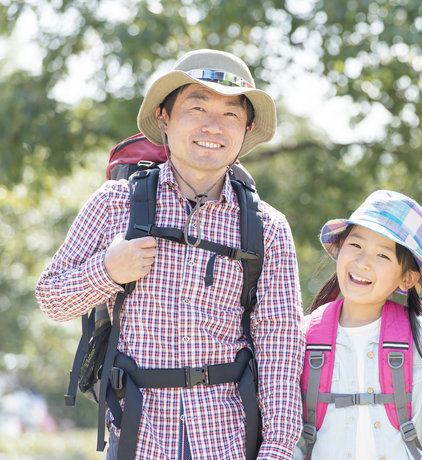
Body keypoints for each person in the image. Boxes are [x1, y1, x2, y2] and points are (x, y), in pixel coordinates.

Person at [36, 49, 305, 459]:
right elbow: (51, 298)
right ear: (164, 117)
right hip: (138, 438)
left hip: (229, 438)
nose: (212, 126)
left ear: (247, 127)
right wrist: (108, 271)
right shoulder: (114, 203)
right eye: (196, 107)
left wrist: (279, 449)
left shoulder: (267, 227)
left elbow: (280, 344)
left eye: (230, 114)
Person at [294, 190, 422, 460]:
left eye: (383, 256)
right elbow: (288, 435)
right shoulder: (302, 334)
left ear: (407, 279)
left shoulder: (420, 336)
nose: (363, 262)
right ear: (340, 248)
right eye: (356, 246)